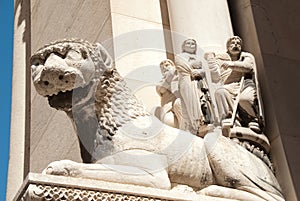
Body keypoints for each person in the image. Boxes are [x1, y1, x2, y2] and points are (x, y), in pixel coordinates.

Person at [205, 36, 263, 133]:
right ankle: (233, 119)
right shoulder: (221, 59)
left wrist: (232, 64)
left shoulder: (246, 56)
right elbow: (215, 77)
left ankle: (252, 118)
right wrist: (210, 61)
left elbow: (248, 67)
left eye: (238, 43)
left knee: (244, 99)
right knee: (220, 92)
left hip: (244, 85)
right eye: (232, 43)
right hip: (229, 86)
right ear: (227, 47)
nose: (236, 45)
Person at [175, 39, 213, 136]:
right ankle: (194, 125)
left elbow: (205, 70)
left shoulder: (199, 58)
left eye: (193, 44)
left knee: (203, 100)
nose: (191, 45)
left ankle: (204, 121)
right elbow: (182, 67)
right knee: (191, 102)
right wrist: (192, 66)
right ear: (183, 46)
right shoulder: (179, 56)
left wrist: (201, 72)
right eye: (188, 43)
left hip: (199, 82)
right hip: (187, 82)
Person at [155, 59, 181, 128]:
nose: (165, 68)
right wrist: (169, 78)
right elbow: (161, 89)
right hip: (167, 105)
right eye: (162, 68)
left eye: (167, 65)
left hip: (177, 103)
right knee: (167, 122)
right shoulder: (160, 82)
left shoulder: (178, 74)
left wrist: (172, 75)